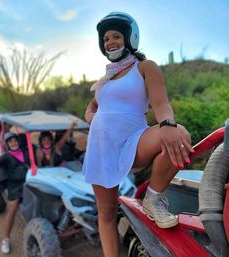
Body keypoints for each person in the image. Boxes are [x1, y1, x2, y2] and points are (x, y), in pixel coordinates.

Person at [82, 12, 194, 257]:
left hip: (134, 141)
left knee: (180, 135)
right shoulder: (104, 80)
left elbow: (161, 103)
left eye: (116, 36)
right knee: (107, 212)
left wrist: (167, 123)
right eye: (106, 39)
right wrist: (91, 117)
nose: (110, 42)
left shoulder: (144, 67)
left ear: (130, 38)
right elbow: (92, 107)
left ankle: (153, 198)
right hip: (102, 147)